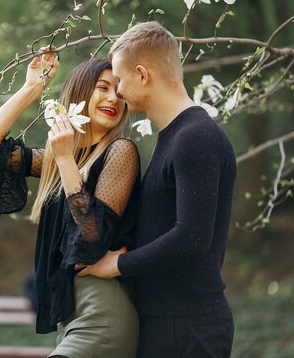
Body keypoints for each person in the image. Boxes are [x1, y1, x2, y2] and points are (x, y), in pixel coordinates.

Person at [76, 21, 237, 358]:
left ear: (142, 74)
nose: (117, 92)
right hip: (168, 322)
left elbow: (192, 238)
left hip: (187, 327)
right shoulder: (176, 136)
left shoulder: (195, 137)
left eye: (119, 80)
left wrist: (119, 264)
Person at [0, 48, 141, 358]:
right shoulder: (59, 160)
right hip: (70, 315)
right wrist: (32, 88)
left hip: (101, 313)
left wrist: (63, 158)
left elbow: (92, 237)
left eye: (118, 91)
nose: (114, 98)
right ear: (79, 93)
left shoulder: (120, 151)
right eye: (103, 88)